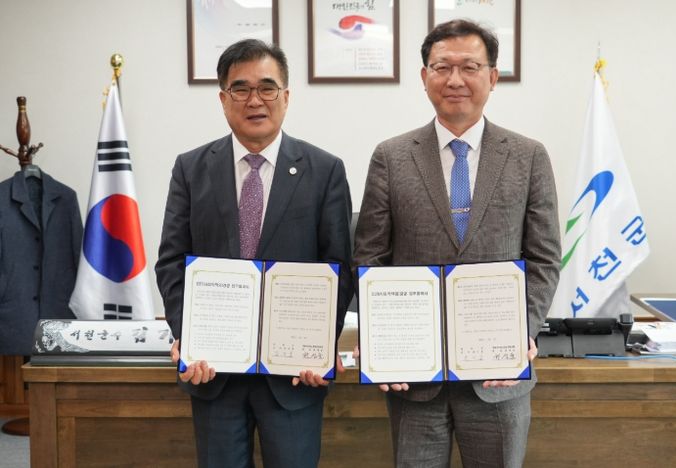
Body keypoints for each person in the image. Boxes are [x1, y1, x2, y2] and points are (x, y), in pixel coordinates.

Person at [353, 19, 561, 467]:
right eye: (442, 67)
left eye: (470, 66)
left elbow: (545, 258)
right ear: (424, 76)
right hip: (414, 379)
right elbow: (370, 257)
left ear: (493, 76)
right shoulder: (391, 156)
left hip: (498, 380)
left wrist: (522, 331)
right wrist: (377, 336)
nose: (455, 79)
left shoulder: (528, 156)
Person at [155, 39, 353, 468]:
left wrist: (320, 345)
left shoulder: (325, 170)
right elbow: (171, 261)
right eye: (240, 89)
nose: (255, 100)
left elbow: (339, 268)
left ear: (287, 96)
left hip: (293, 377)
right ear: (223, 99)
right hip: (214, 373)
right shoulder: (191, 168)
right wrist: (188, 334)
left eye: (267, 87)